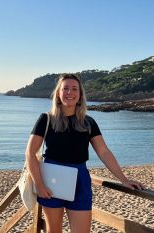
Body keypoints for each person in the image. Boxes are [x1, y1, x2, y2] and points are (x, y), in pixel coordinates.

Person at [25, 73, 145, 233]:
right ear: (58, 94)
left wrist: (123, 179)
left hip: (80, 180)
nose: (70, 92)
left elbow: (104, 152)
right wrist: (39, 185)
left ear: (80, 95)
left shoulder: (88, 122)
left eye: (74, 89)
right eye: (65, 88)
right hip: (51, 181)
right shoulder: (46, 119)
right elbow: (30, 152)